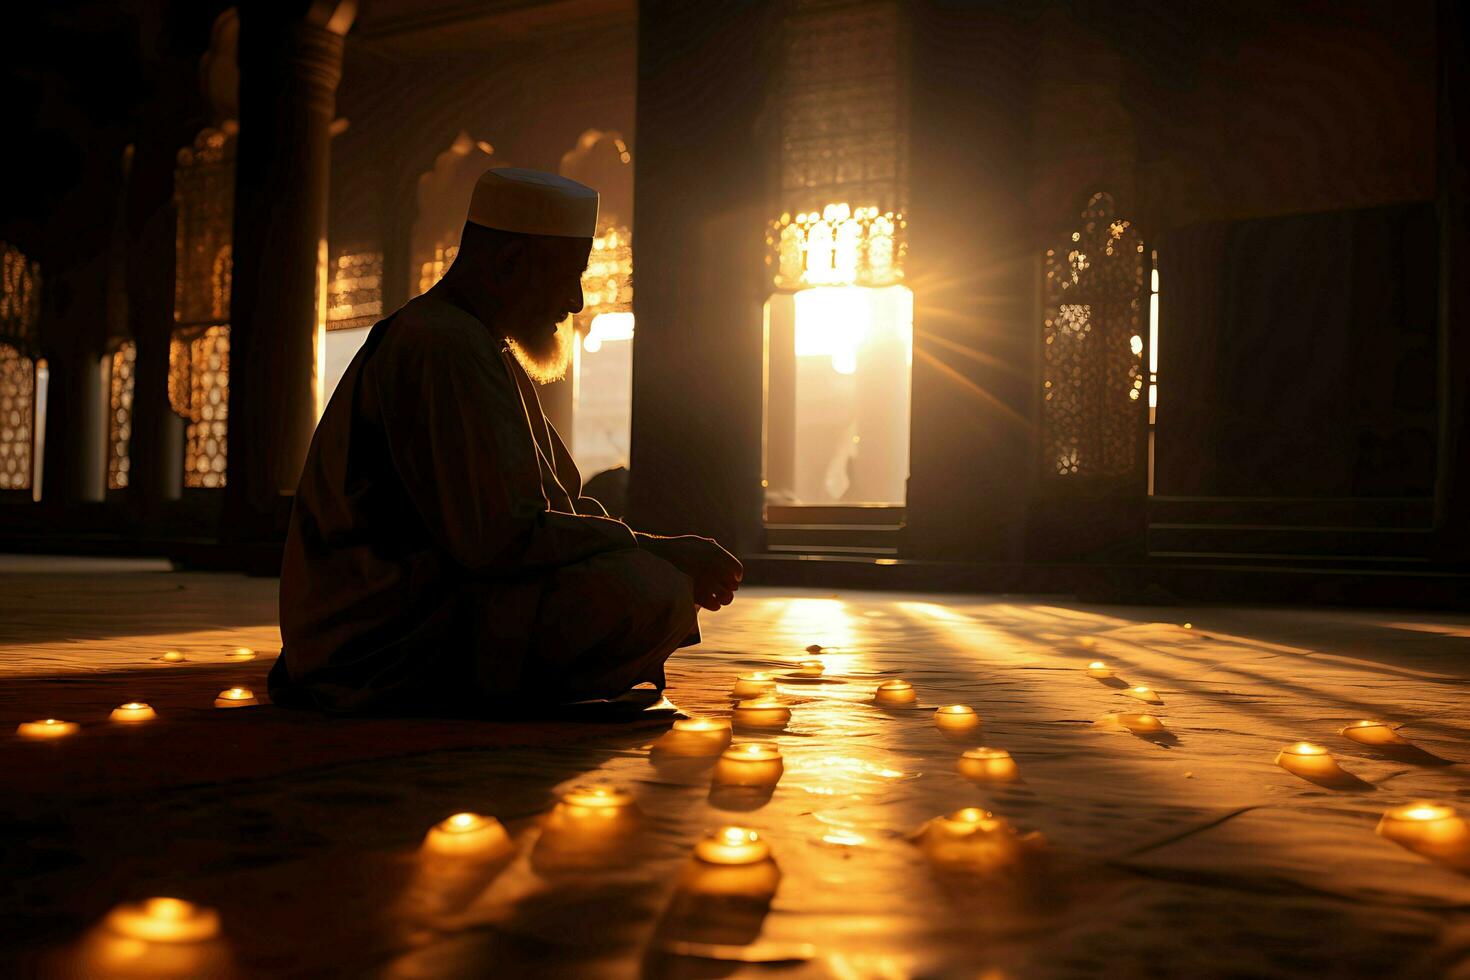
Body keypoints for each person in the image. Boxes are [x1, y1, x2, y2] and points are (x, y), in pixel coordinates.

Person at [270, 167, 742, 714]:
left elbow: (552, 508)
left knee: (649, 582)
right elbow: (498, 539)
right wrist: (653, 549)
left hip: (429, 604)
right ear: (513, 264)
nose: (576, 302)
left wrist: (650, 550)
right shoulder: (442, 344)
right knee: (643, 593)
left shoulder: (481, 344)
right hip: (377, 635)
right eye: (570, 275)